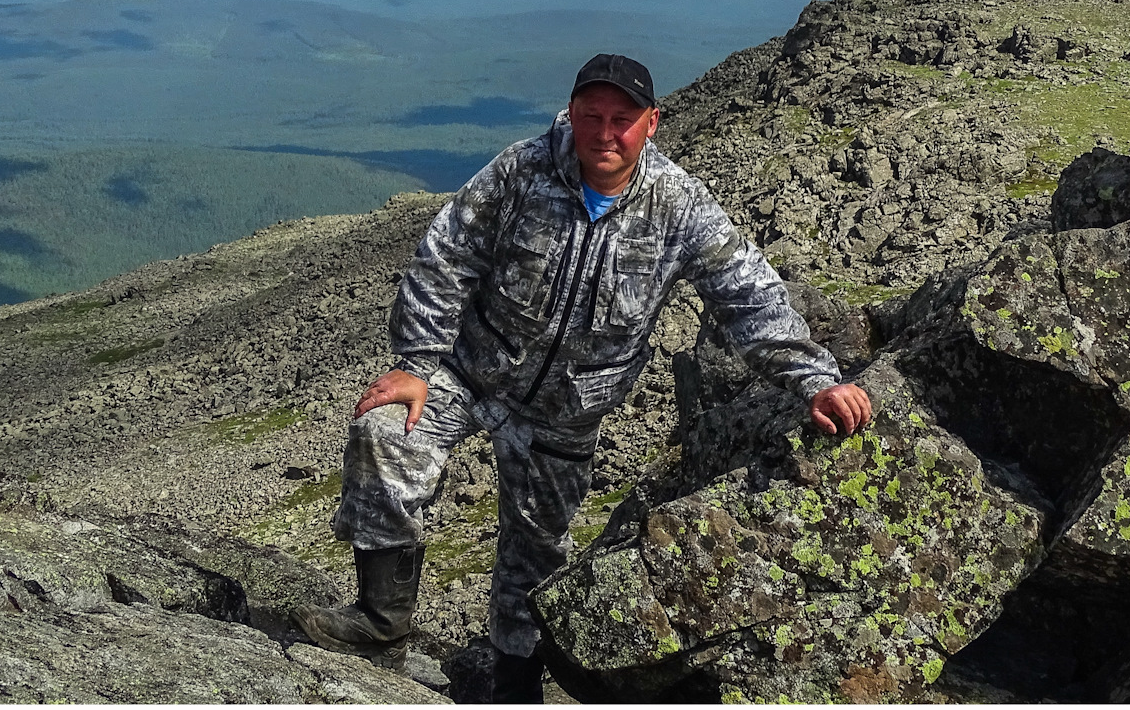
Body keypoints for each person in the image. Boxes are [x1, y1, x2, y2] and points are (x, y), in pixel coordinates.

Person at [297, 53, 874, 701]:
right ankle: (380, 624)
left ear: (651, 123)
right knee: (386, 431)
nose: (604, 132)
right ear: (570, 113)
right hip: (472, 372)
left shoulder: (679, 207)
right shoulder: (522, 169)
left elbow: (750, 297)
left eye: (622, 119)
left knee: (535, 558)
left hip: (566, 415)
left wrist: (816, 379)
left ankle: (513, 687)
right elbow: (446, 252)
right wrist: (417, 364)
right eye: (590, 115)